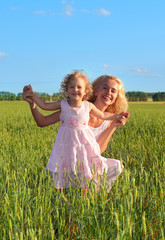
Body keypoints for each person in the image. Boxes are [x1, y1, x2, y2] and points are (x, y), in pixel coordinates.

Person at [23, 71, 129, 190]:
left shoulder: (106, 118)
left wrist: (114, 123)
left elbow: (97, 150)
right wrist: (32, 101)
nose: (108, 93)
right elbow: (42, 120)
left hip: (87, 162)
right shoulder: (72, 109)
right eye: (105, 88)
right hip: (69, 157)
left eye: (113, 91)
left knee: (115, 167)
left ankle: (93, 193)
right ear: (95, 91)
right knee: (64, 187)